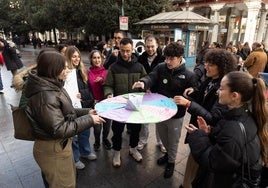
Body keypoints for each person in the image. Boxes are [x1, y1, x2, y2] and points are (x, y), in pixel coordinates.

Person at [24, 51, 104, 188]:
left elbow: (66, 112)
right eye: (64, 67)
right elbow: (59, 128)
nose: (68, 70)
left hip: (58, 145)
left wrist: (87, 111)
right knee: (63, 184)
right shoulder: (45, 96)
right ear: (53, 69)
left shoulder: (52, 85)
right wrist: (90, 120)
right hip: (53, 149)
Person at [186, 71, 268, 188]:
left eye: (221, 88)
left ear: (234, 96)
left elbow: (213, 162)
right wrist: (210, 131)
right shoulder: (245, 113)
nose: (218, 91)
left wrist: (197, 136)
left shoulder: (234, 129)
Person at [132, 42, 197, 178]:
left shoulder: (189, 75)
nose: (167, 61)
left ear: (180, 58)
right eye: (166, 57)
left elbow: (194, 93)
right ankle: (168, 155)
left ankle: (171, 162)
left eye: (171, 58)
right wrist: (143, 82)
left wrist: (190, 94)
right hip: (160, 112)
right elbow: (152, 76)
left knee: (173, 140)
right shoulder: (161, 67)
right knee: (162, 137)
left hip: (176, 115)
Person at [176, 49, 237, 188]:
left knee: (200, 167)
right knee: (193, 161)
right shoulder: (210, 79)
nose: (206, 67)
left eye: (210, 64)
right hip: (198, 130)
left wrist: (188, 104)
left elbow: (213, 117)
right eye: (206, 63)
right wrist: (194, 92)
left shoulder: (223, 87)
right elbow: (202, 97)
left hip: (208, 136)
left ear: (222, 67)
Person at [103, 38, 147, 168]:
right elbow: (108, 85)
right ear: (119, 49)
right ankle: (116, 152)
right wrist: (109, 94)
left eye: (128, 51)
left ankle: (133, 149)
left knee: (135, 130)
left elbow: (146, 80)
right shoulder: (113, 67)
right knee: (117, 131)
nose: (125, 54)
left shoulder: (139, 66)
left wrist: (145, 87)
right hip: (119, 105)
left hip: (135, 105)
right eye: (123, 51)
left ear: (132, 49)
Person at [64, 46, 97, 170]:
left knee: (85, 131)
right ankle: (75, 158)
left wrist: (84, 96)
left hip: (83, 106)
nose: (77, 59)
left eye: (78, 56)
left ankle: (86, 152)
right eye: (74, 56)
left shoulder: (82, 71)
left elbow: (89, 90)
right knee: (72, 134)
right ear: (68, 57)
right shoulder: (65, 72)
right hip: (70, 108)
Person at [136, 35, 166, 153]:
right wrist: (145, 88)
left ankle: (161, 142)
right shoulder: (141, 59)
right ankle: (143, 140)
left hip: (159, 93)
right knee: (144, 120)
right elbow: (139, 76)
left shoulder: (163, 59)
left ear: (157, 45)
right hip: (144, 93)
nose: (150, 49)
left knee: (160, 120)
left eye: (152, 46)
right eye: (147, 47)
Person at [88, 50, 112, 150]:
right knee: (97, 127)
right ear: (91, 60)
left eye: (99, 58)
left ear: (102, 59)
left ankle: (105, 139)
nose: (97, 60)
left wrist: (102, 81)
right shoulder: (87, 73)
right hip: (95, 103)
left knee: (107, 126)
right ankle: (97, 141)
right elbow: (86, 88)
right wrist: (91, 99)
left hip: (106, 103)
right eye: (94, 58)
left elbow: (110, 86)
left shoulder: (106, 72)